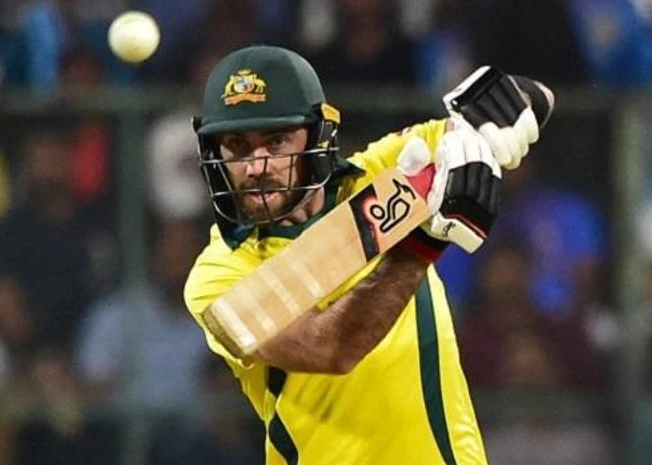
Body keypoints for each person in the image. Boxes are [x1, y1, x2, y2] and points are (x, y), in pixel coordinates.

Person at [183, 45, 551, 464]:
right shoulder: (218, 274)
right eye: (236, 146)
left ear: (318, 135)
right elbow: (329, 348)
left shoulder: (382, 170)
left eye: (277, 141)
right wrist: (421, 244)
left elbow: (538, 99)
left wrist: (498, 107)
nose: (256, 167)